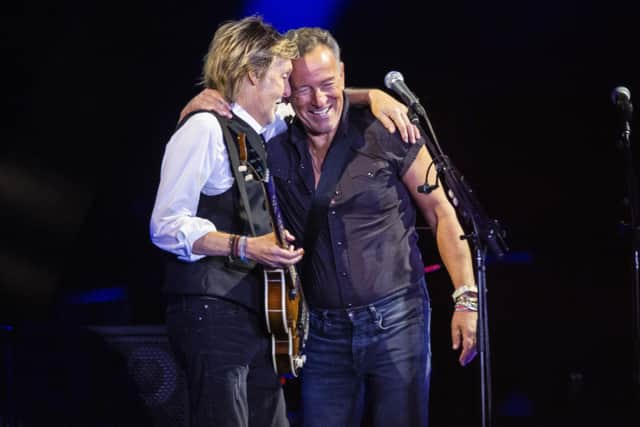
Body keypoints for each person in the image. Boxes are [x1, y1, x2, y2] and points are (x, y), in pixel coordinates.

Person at [152, 16, 420, 427]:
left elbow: (319, 100)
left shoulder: (261, 128)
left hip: (251, 315)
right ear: (251, 76)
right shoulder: (205, 127)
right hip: (210, 311)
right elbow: (165, 226)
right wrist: (243, 246)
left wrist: (372, 97)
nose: (287, 91)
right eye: (281, 78)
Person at [265, 28, 478, 426]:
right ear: (286, 91)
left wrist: (466, 299)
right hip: (322, 333)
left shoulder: (390, 129)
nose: (318, 99)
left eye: (328, 84)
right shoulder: (274, 138)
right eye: (304, 89)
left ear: (343, 74)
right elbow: (230, 109)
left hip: (397, 321)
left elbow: (441, 213)